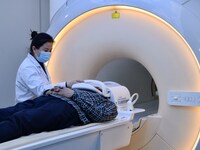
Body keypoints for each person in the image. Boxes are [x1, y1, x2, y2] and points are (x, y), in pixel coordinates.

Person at [0, 87, 118, 143]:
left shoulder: (109, 104)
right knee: (12, 110)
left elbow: (100, 115)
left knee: (23, 118)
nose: (94, 87)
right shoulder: (80, 88)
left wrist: (74, 95)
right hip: (51, 97)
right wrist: (54, 91)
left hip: (70, 108)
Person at [15, 31, 80, 103]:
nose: (48, 53)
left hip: (37, 104)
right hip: (26, 107)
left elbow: (47, 86)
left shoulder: (41, 64)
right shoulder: (27, 67)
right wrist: (66, 84)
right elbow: (40, 89)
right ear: (34, 49)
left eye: (50, 50)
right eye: (46, 50)